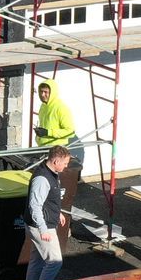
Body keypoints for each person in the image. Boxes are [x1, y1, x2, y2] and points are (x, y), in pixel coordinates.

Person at [24, 146, 73, 280]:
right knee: (55, 261)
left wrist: (58, 212)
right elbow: (35, 205)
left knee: (37, 260)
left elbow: (48, 199)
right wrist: (43, 229)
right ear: (56, 161)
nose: (66, 166)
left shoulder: (50, 173)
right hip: (42, 226)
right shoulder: (42, 179)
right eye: (65, 163)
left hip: (41, 224)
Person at [34, 78, 83, 218]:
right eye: (41, 92)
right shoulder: (44, 106)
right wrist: (40, 133)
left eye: (46, 92)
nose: (43, 95)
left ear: (52, 93)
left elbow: (70, 131)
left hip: (56, 151)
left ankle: (56, 213)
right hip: (44, 148)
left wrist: (48, 133)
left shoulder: (61, 107)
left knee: (53, 183)